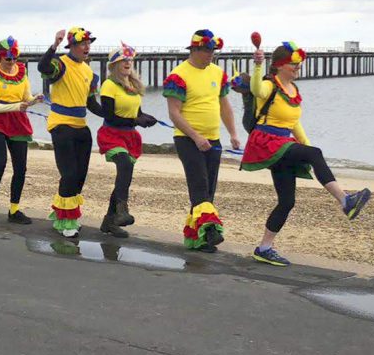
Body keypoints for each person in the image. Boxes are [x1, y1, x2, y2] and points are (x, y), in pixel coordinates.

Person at [241, 41, 372, 266]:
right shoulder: (269, 85)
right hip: (267, 141)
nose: (298, 68)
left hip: (284, 142)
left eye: (299, 65)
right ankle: (345, 201)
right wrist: (257, 65)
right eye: (293, 64)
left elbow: (294, 123)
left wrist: (307, 148)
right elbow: (255, 90)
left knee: (287, 202)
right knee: (315, 153)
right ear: (280, 65)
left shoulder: (293, 90)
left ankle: (264, 248)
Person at [163, 29, 241, 252]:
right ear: (195, 49)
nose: (211, 54)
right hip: (188, 139)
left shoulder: (217, 72)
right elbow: (174, 113)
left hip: (213, 139)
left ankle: (195, 237)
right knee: (199, 187)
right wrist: (196, 137)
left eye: (213, 50)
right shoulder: (178, 75)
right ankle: (210, 233)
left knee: (209, 189)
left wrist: (233, 134)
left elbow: (224, 106)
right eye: (207, 50)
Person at [38, 26, 104, 238]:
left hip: (81, 126)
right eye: (83, 43)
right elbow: (43, 66)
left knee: (80, 176)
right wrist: (54, 45)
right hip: (61, 125)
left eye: (89, 43)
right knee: (69, 173)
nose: (87, 47)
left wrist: (117, 116)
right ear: (72, 46)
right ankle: (67, 221)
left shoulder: (90, 74)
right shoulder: (61, 64)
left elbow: (92, 104)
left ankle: (65, 215)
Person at [97, 43, 158, 238]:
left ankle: (109, 220)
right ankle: (122, 211)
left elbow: (136, 113)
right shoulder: (109, 85)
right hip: (112, 133)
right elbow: (110, 116)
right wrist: (135, 120)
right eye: (123, 60)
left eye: (130, 60)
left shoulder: (133, 86)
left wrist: (145, 118)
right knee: (123, 165)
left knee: (125, 176)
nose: (128, 63)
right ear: (114, 64)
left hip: (130, 135)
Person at [0, 36, 41, 225]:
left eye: (14, 58)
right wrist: (17, 106)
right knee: (0, 163)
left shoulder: (21, 72)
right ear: (0, 58)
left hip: (16, 122)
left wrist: (34, 100)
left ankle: (14, 209)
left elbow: (26, 97)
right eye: (8, 59)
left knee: (21, 167)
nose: (11, 62)